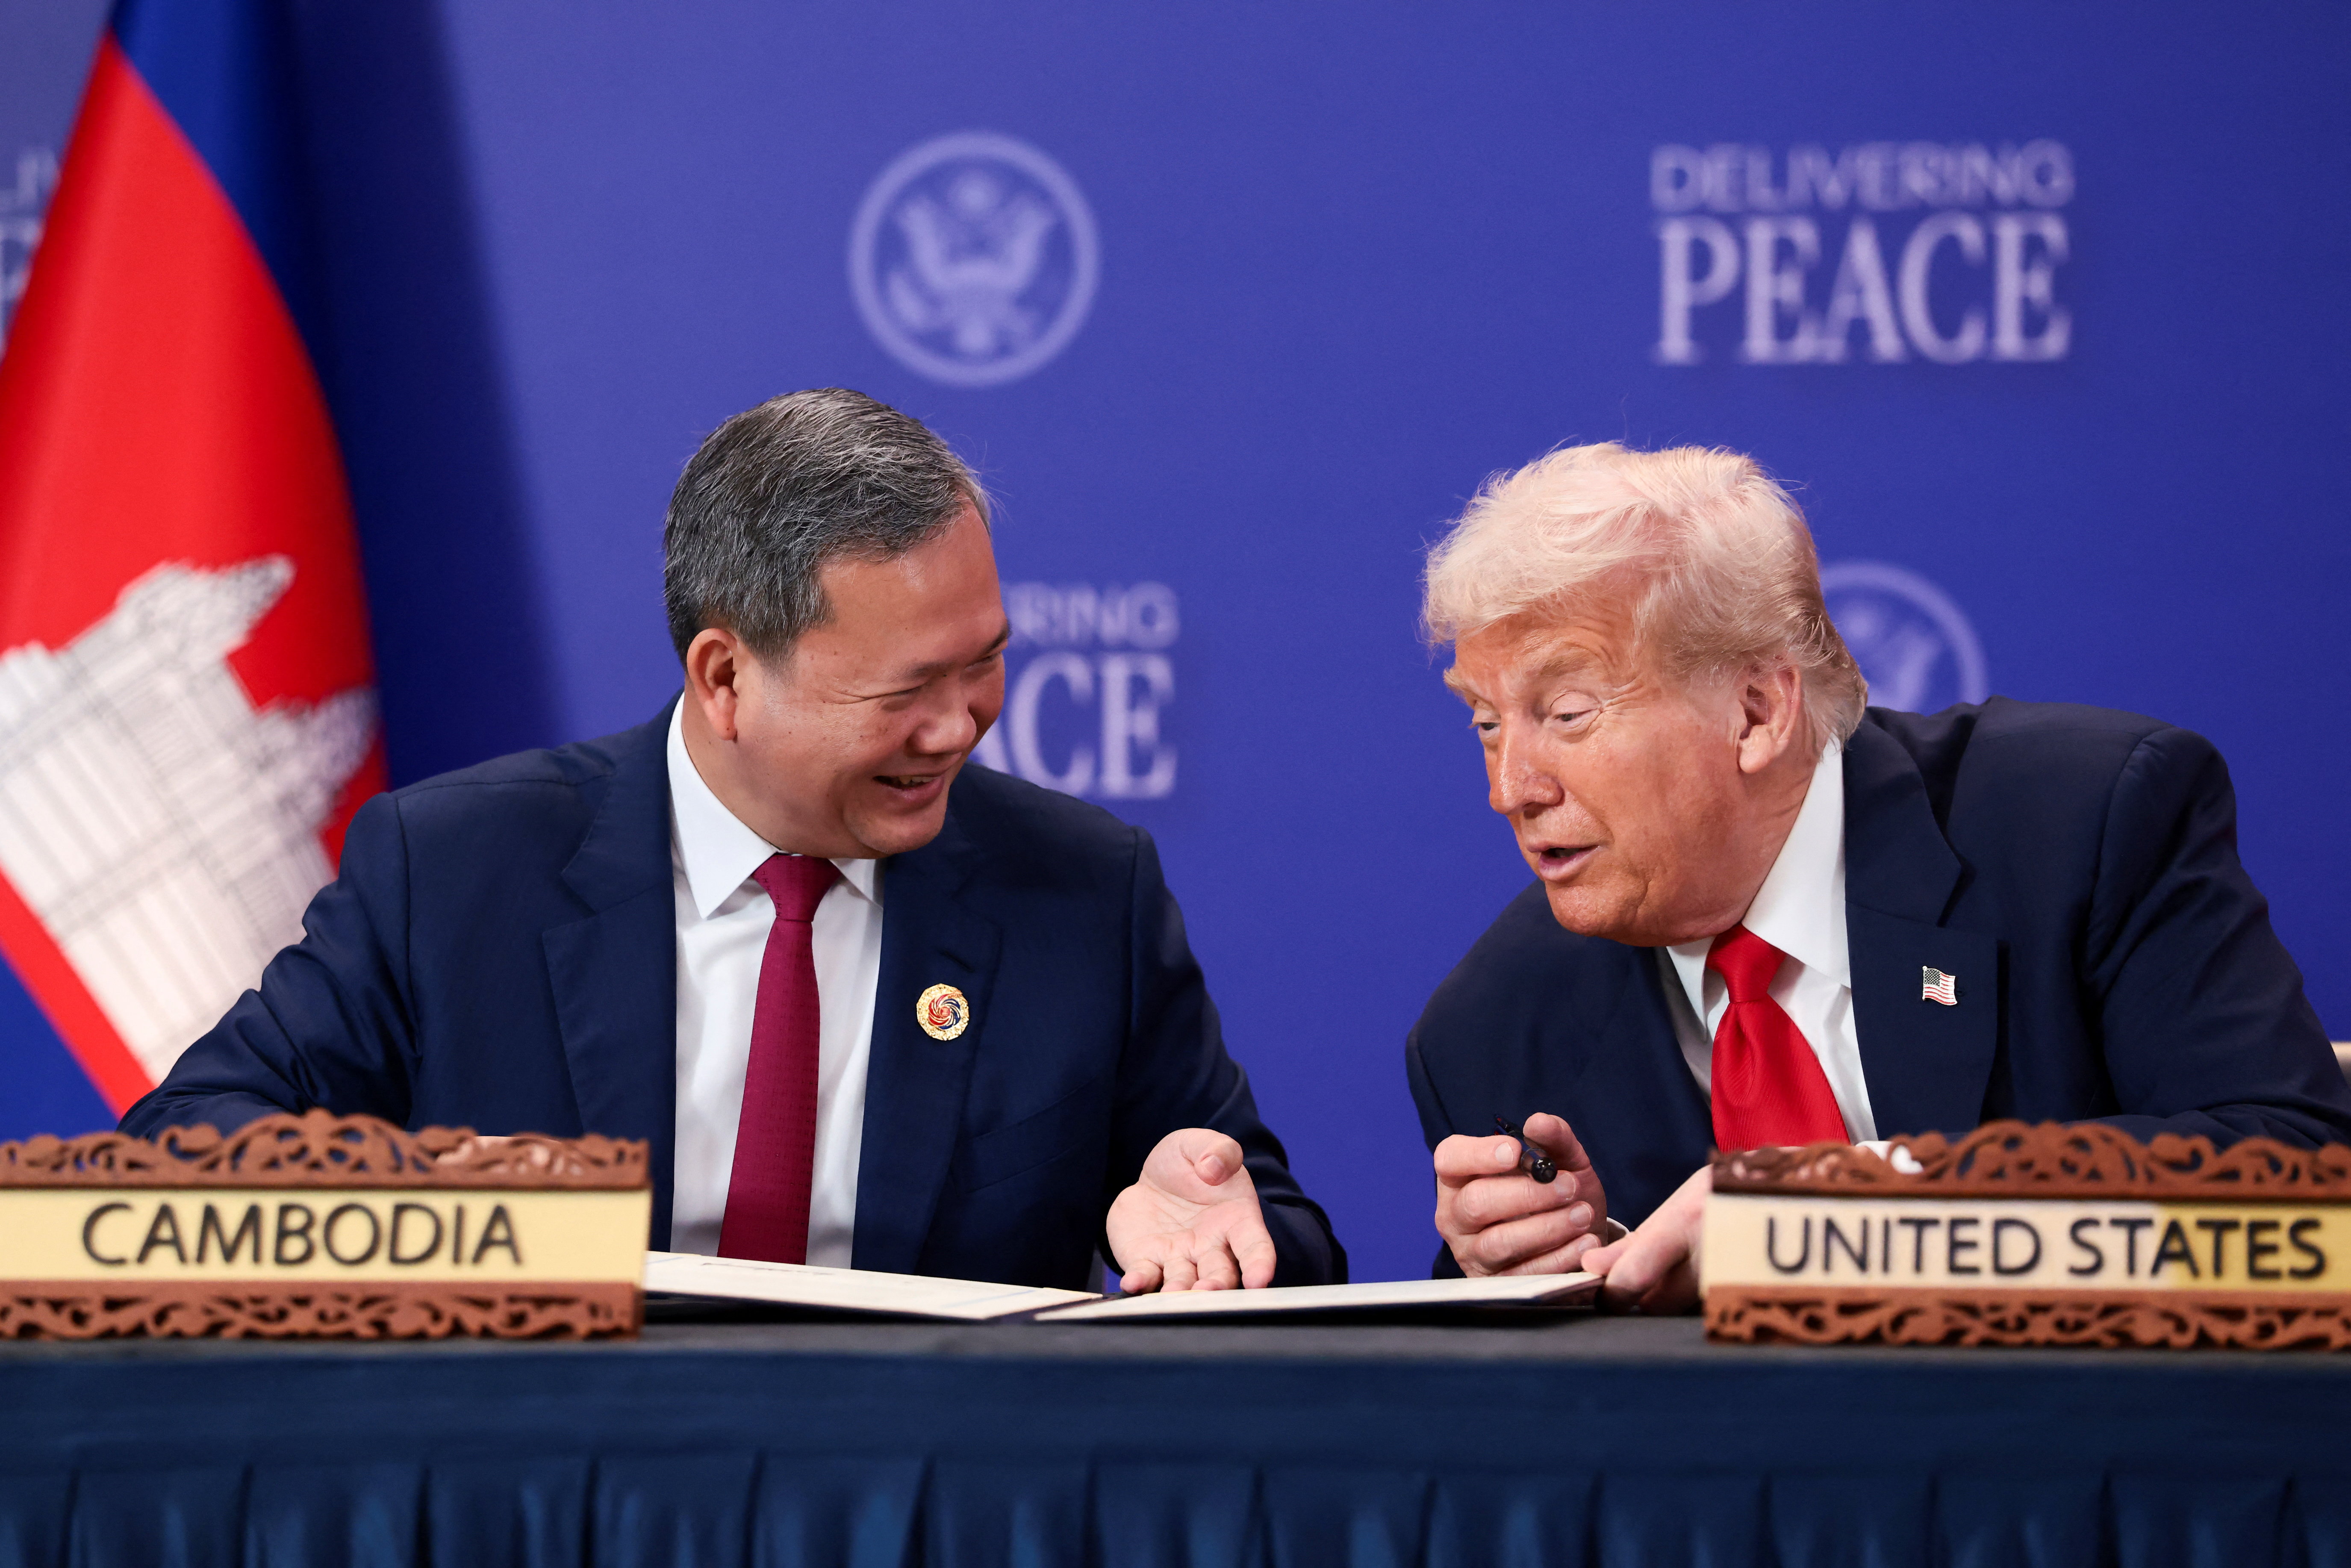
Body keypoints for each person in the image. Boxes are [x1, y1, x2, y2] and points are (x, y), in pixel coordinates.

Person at [124, 388, 1342, 1295]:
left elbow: (1275, 1226)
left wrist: (1211, 1227)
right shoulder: (453, 871)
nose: (963, 722)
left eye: (985, 661)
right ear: (724, 679)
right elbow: (180, 1148)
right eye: (907, 688)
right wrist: (427, 1202)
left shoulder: (1081, 893)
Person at [1404, 442, 2351, 1312]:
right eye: (1487, 721)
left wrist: (1847, 1211)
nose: (1508, 789)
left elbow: (2298, 1185)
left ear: (1755, 711)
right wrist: (1556, 1264)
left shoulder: (2080, 827)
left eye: (1566, 712)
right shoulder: (1491, 1025)